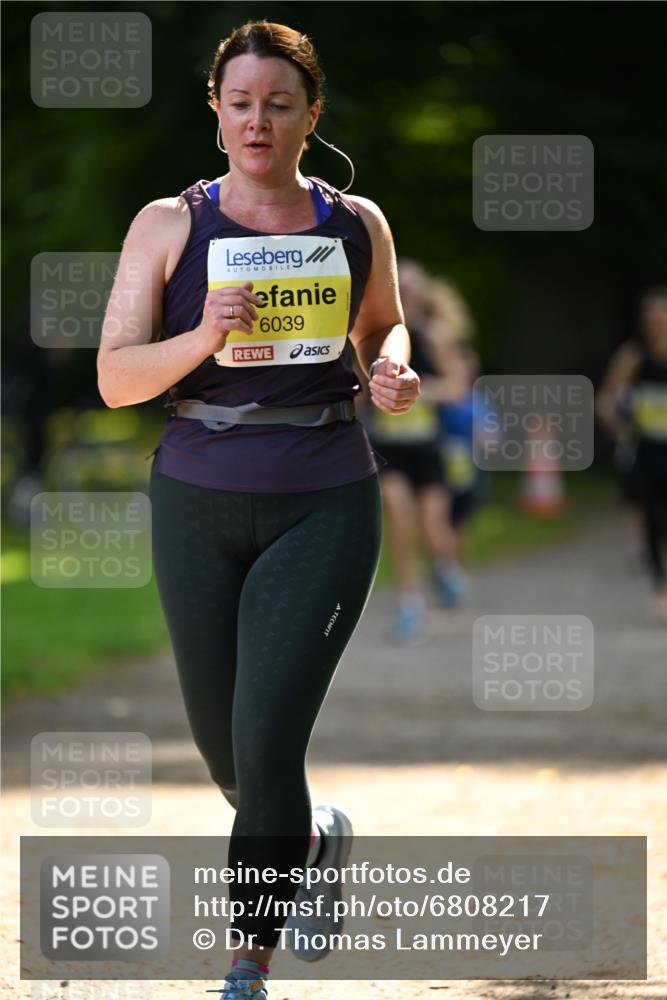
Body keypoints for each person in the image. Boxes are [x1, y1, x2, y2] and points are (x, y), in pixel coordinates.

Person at [96, 20, 420, 999]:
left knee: (269, 736)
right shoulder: (169, 224)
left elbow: (383, 323)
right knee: (226, 750)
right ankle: (313, 835)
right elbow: (115, 378)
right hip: (196, 496)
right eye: (240, 103)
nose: (258, 122)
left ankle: (247, 957)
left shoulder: (353, 222)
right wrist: (201, 336)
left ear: (311, 116)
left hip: (323, 498)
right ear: (215, 108)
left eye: (279, 105)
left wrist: (396, 364)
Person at [363, 260, 467, 640]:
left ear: (422, 296)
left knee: (433, 527)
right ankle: (409, 602)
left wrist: (416, 390)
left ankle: (445, 567)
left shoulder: (434, 337)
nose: (406, 294)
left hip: (427, 449)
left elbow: (458, 386)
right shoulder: (375, 338)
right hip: (388, 449)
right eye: (399, 288)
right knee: (400, 522)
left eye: (411, 289)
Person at [596, 286, 667, 621]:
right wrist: (618, 426)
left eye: (663, 319)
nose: (658, 325)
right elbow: (606, 399)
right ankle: (661, 587)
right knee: (652, 518)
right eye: (652, 320)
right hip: (647, 450)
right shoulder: (633, 358)